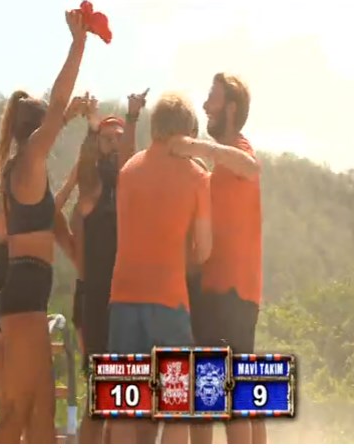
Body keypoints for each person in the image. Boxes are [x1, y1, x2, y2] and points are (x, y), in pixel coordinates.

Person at [0, 10, 88, 444]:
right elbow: (59, 103)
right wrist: (78, 44)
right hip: (24, 295)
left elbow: (49, 223)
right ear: (35, 133)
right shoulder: (28, 161)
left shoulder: (26, 173)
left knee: (43, 412)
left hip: (28, 294)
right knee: (18, 411)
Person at [107, 93, 212, 444]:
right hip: (169, 298)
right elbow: (203, 250)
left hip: (123, 295)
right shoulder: (197, 176)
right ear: (188, 132)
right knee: (176, 405)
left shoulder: (128, 171)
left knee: (123, 404)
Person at [169, 73, 264, 444]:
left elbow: (250, 166)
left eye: (214, 98)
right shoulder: (218, 167)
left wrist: (193, 146)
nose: (207, 105)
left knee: (224, 401)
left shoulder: (239, 150)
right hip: (220, 293)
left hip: (230, 293)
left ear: (231, 109)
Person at [54, 89, 148, 444]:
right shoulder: (92, 187)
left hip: (128, 299)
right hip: (96, 300)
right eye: (107, 138)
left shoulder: (128, 188)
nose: (114, 144)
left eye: (118, 138)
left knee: (131, 397)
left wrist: (133, 117)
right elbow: (64, 198)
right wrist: (93, 127)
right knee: (103, 395)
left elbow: (131, 161)